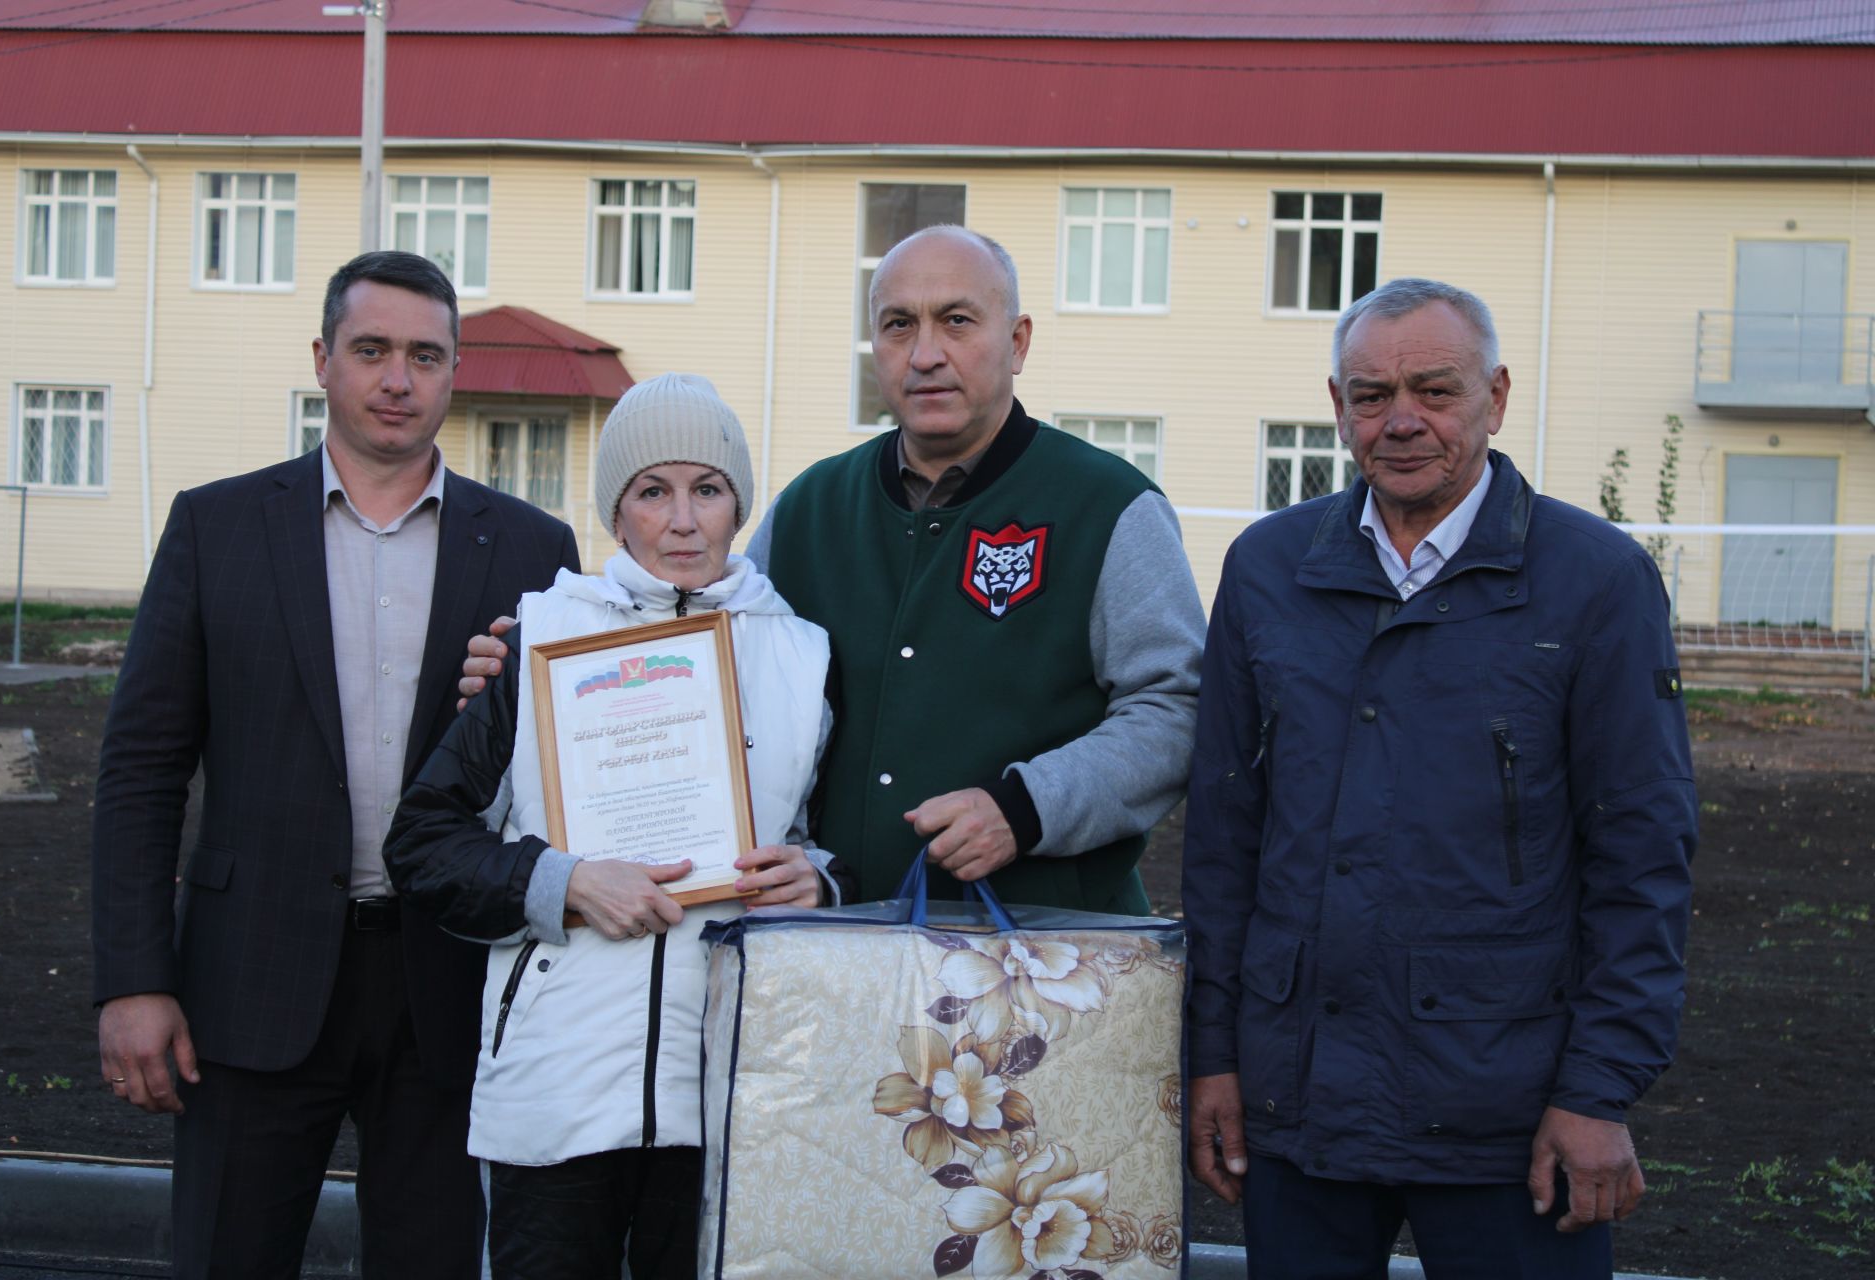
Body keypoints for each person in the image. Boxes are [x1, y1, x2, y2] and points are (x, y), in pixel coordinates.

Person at [1183, 278, 1697, 1279]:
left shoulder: (1595, 581)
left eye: (1435, 388)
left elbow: (1642, 859)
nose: (1402, 419)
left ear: (1495, 397)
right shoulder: (1267, 570)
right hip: (1303, 1102)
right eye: (1371, 394)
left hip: (1507, 1112)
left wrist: (1598, 1090)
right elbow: (1223, 839)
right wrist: (1214, 1054)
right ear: (1337, 407)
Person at [461, 225, 1204, 912]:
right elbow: (703, 659)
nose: (925, 353)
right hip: (838, 955)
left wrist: (1027, 807)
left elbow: (1175, 710)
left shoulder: (1107, 506)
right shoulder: (812, 507)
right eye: (898, 324)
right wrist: (538, 669)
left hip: (1043, 954)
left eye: (958, 320)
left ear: (1018, 341)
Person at [92, 250, 580, 1277]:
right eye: (371, 350)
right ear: (323, 359)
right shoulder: (216, 527)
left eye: (424, 355)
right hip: (250, 980)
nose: (397, 378)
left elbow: (568, 774)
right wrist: (134, 980)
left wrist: (513, 714)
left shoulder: (536, 549)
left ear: (454, 372)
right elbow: (141, 768)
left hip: (449, 982)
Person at [383, 373, 849, 1279]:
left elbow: (834, 840)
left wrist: (820, 877)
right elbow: (425, 842)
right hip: (557, 1092)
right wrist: (563, 883)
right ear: (617, 511)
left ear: (738, 505)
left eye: (707, 490)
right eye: (652, 491)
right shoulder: (543, 641)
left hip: (730, 1090)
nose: (682, 521)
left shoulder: (804, 656)